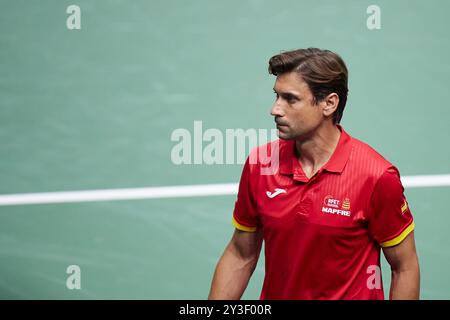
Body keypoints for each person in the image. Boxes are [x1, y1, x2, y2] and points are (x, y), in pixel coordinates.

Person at [208, 48, 420, 300]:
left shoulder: (376, 176)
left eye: (290, 99)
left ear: (329, 104)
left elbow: (404, 267)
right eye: (276, 96)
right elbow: (240, 254)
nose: (275, 109)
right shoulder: (261, 165)